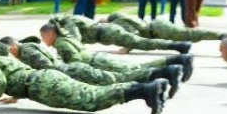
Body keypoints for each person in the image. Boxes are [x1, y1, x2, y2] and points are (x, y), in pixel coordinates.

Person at [0, 34, 169, 114]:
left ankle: (145, 90)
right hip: (44, 78)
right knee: (93, 93)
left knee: (92, 100)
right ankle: (144, 89)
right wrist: (15, 96)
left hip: (42, 86)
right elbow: (15, 73)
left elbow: (1, 81)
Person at [2, 34, 183, 98]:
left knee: (118, 79)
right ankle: (163, 74)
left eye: (6, 52)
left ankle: (165, 72)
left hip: (73, 73)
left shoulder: (27, 51)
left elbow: (46, 69)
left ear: (12, 47)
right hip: (74, 71)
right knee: (119, 78)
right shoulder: (28, 48)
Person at [40, 22, 195, 82]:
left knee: (135, 71)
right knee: (136, 68)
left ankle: (173, 66)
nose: (43, 40)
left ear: (50, 34)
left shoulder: (60, 44)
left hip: (96, 63)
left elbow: (76, 62)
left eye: (43, 36)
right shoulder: (66, 37)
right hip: (98, 58)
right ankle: (177, 61)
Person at [48, 13, 191, 54]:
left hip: (109, 33)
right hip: (108, 32)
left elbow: (75, 40)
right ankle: (178, 46)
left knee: (142, 43)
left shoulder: (70, 23)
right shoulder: (74, 18)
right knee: (142, 43)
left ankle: (178, 46)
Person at [105, 10, 227, 43]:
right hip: (157, 26)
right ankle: (220, 36)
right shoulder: (124, 17)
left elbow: (134, 36)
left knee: (189, 34)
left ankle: (222, 36)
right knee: (189, 33)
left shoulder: (118, 23)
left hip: (158, 30)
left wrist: (126, 48)